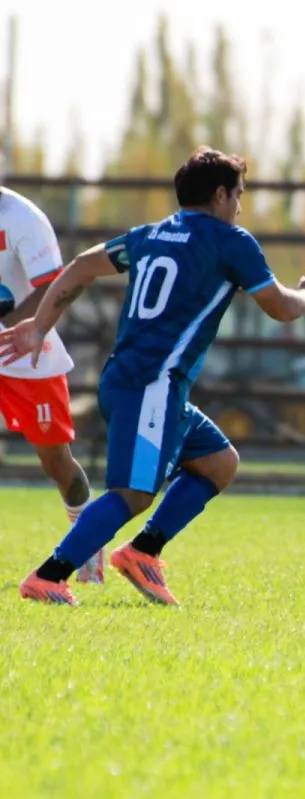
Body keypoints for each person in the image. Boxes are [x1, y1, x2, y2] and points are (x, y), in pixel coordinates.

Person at [1, 146, 305, 606]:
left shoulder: (150, 234)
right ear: (220, 194)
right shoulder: (231, 241)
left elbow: (82, 266)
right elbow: (281, 308)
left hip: (135, 381)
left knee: (220, 463)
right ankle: (48, 577)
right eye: (238, 195)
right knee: (133, 495)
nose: (239, 206)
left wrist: (40, 326)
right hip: (151, 385)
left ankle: (143, 552)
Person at [0, 154, 102, 582]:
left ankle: (89, 548)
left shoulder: (22, 218)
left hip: (25, 356)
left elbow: (53, 284)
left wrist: (13, 328)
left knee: (56, 459)